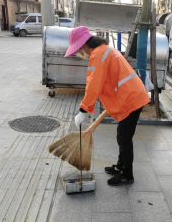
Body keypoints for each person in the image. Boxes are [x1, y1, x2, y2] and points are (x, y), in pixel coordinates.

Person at [64, 26, 149, 186]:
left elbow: (93, 85)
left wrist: (84, 109)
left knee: (124, 138)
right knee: (122, 135)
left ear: (83, 45)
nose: (78, 54)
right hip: (131, 95)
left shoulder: (97, 56)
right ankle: (120, 166)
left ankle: (127, 174)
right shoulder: (105, 49)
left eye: (77, 50)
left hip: (130, 99)